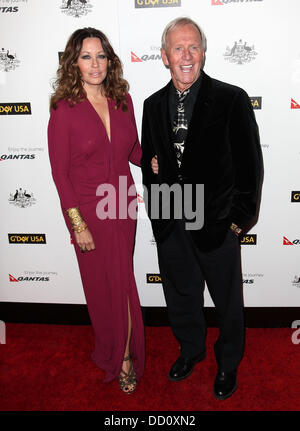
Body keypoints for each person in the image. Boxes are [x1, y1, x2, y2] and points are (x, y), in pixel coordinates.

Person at [142, 17, 263, 400]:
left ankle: (228, 363)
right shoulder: (152, 105)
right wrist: (158, 209)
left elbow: (250, 167)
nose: (187, 55)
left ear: (204, 53)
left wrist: (239, 222)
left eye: (194, 46)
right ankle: (190, 349)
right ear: (164, 57)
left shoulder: (231, 99)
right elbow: (149, 163)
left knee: (227, 302)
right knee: (180, 295)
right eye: (178, 48)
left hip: (217, 223)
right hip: (171, 221)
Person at [48, 27, 147, 393]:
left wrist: (156, 160)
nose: (95, 63)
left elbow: (131, 149)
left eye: (101, 55)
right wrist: (78, 225)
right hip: (89, 212)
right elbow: (60, 174)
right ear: (74, 62)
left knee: (121, 284)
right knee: (102, 289)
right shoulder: (63, 109)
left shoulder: (122, 99)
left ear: (110, 60)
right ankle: (115, 350)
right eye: (87, 56)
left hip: (122, 203)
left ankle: (122, 355)